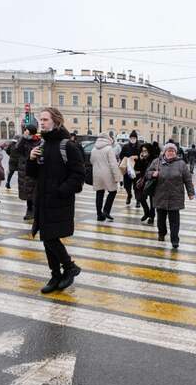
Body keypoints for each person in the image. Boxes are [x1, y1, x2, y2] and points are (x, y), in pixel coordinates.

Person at [28, 107, 85, 294]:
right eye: (40, 119)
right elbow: (33, 174)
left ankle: (69, 267)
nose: (41, 122)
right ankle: (56, 275)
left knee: (49, 237)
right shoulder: (42, 144)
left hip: (59, 200)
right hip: (43, 200)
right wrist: (31, 159)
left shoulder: (67, 145)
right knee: (46, 238)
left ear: (56, 121)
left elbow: (78, 176)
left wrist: (60, 191)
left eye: (45, 119)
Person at [146, 143, 195, 249]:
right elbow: (147, 173)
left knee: (174, 221)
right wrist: (152, 174)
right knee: (161, 219)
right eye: (169, 150)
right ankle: (161, 233)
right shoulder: (157, 162)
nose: (171, 152)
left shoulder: (181, 164)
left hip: (175, 196)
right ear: (164, 152)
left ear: (176, 153)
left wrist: (191, 192)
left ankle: (174, 240)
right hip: (160, 195)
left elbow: (187, 179)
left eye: (173, 151)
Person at [90, 132, 122, 221]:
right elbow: (113, 164)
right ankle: (106, 210)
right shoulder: (109, 149)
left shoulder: (94, 149)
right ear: (108, 139)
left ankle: (99, 215)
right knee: (113, 191)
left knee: (99, 193)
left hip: (97, 174)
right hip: (108, 174)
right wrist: (117, 177)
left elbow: (91, 161)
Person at [16, 118, 42, 220]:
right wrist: (23, 137)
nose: (24, 132)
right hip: (24, 170)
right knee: (27, 191)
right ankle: (29, 209)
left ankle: (34, 210)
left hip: (34, 169)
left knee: (34, 190)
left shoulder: (38, 141)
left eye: (26, 130)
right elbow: (17, 149)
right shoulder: (24, 140)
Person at [134, 143, 155, 225]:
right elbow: (137, 168)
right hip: (143, 180)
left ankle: (151, 217)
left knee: (152, 201)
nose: (144, 153)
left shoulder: (154, 159)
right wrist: (140, 159)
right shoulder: (142, 158)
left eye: (145, 151)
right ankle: (146, 212)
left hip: (152, 181)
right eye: (142, 151)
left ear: (149, 151)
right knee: (141, 198)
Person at [119, 130, 140, 206]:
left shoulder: (140, 146)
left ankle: (138, 200)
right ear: (129, 138)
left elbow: (142, 157)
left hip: (137, 169)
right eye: (131, 137)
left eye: (134, 138)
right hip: (128, 169)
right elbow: (121, 156)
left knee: (137, 186)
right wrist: (127, 159)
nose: (133, 139)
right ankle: (129, 195)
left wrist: (136, 157)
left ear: (136, 138)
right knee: (127, 185)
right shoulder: (125, 146)